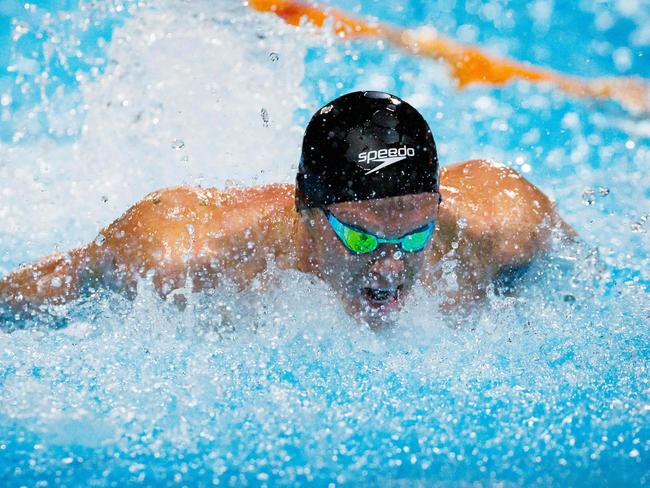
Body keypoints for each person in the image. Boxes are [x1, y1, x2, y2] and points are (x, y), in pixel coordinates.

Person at [0, 91, 571, 328]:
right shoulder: (186, 253)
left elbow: (590, 277)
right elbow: (63, 280)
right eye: (364, 239)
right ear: (307, 212)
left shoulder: (505, 225)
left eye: (416, 236)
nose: (392, 268)